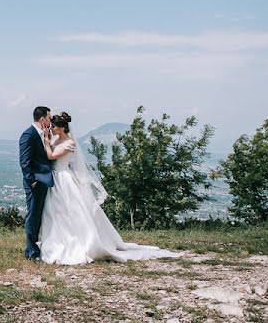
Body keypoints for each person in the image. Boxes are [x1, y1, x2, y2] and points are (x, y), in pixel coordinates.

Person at [37, 112, 180, 264]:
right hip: (55, 178)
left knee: (70, 210)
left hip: (64, 178)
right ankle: (58, 240)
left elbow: (51, 156)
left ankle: (78, 242)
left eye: (53, 127)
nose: (51, 129)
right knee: (56, 211)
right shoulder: (56, 139)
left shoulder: (69, 143)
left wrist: (46, 140)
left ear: (61, 128)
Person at [18, 106, 54, 260]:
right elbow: (24, 161)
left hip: (43, 180)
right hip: (35, 182)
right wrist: (31, 180)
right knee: (33, 216)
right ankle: (31, 252)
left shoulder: (43, 134)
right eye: (49, 118)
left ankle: (36, 247)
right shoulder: (29, 135)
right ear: (42, 119)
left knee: (39, 214)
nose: (50, 121)